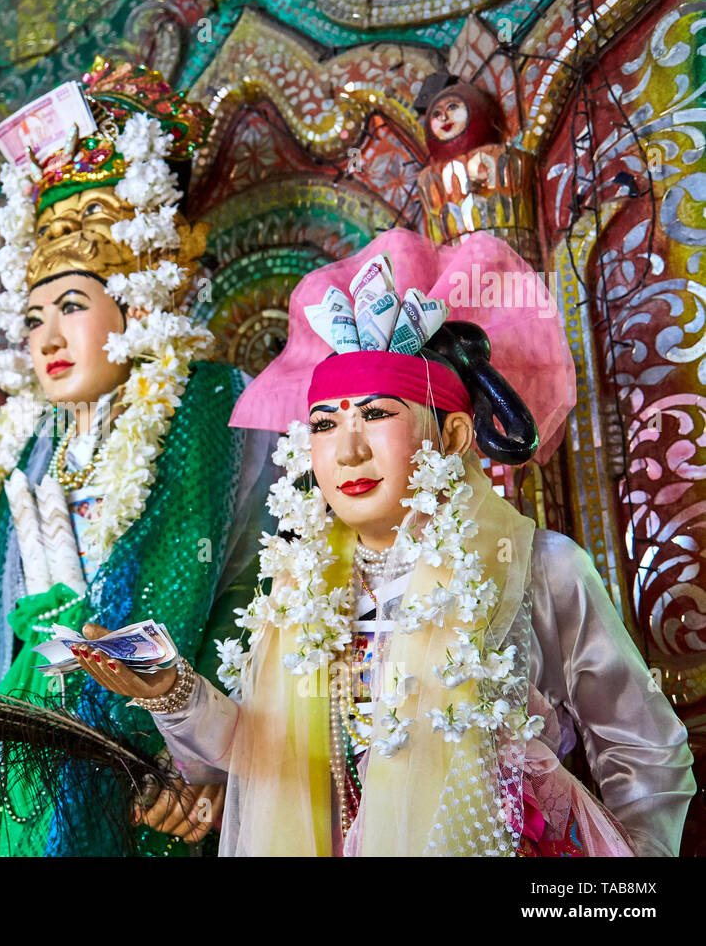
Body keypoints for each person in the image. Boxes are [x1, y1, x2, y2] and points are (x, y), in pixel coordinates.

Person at [72, 228, 696, 856]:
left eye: (376, 414)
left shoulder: (539, 566)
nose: (347, 450)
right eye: (324, 424)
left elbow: (644, 746)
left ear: (452, 437)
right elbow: (266, 753)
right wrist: (173, 692)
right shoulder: (300, 588)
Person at [0, 57, 277, 855]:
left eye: (74, 305)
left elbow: (241, 595)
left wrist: (191, 761)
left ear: (137, 305)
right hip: (4, 773)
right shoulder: (24, 442)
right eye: (33, 318)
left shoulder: (204, 403)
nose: (48, 336)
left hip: (141, 778)